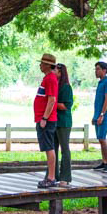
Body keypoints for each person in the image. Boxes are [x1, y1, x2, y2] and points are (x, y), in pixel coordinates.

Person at [34, 53, 60, 188]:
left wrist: (44, 118)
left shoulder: (50, 79)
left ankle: (51, 177)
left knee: (49, 147)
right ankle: (50, 176)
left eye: (43, 63)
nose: (40, 65)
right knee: (47, 147)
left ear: (48, 65)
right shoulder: (47, 78)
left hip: (46, 119)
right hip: (42, 118)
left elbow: (51, 100)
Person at [54, 63, 74, 187]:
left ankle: (65, 177)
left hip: (63, 122)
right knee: (53, 149)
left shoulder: (66, 87)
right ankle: (53, 175)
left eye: (55, 69)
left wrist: (51, 103)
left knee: (64, 149)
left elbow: (65, 106)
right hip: (54, 121)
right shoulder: (54, 85)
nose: (53, 71)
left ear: (61, 72)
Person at [91, 60, 107, 172]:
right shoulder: (100, 83)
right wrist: (95, 116)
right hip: (98, 115)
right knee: (100, 139)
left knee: (102, 139)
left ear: (104, 70)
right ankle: (104, 162)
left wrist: (102, 115)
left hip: (103, 116)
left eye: (98, 69)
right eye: (95, 69)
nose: (96, 71)